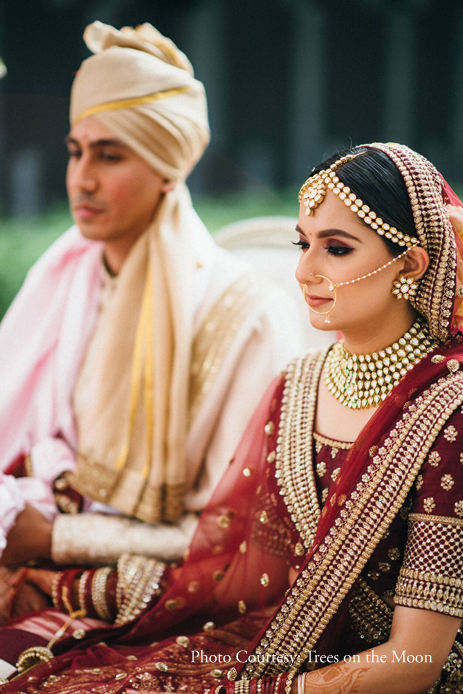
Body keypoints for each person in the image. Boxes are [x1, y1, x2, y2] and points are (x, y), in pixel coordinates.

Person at [1, 142, 463, 694]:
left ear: (410, 263)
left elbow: (416, 662)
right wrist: (67, 585)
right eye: (303, 243)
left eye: (336, 249)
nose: (303, 271)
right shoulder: (299, 384)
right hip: (275, 645)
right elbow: (237, 575)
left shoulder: (449, 409)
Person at [0, 22, 304, 643]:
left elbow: (240, 537)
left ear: (168, 168)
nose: (80, 179)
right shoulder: (65, 280)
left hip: (159, 599)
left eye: (109, 155)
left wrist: (54, 536)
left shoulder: (244, 316)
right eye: (75, 151)